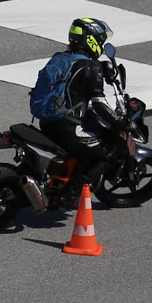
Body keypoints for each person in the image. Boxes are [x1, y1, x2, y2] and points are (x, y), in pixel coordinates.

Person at [34, 17, 117, 203]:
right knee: (107, 153)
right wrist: (120, 122)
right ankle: (70, 195)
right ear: (91, 41)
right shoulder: (91, 67)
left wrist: (102, 69)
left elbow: (73, 80)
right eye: (100, 41)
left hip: (46, 122)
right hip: (67, 129)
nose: (102, 46)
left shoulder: (60, 58)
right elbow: (99, 104)